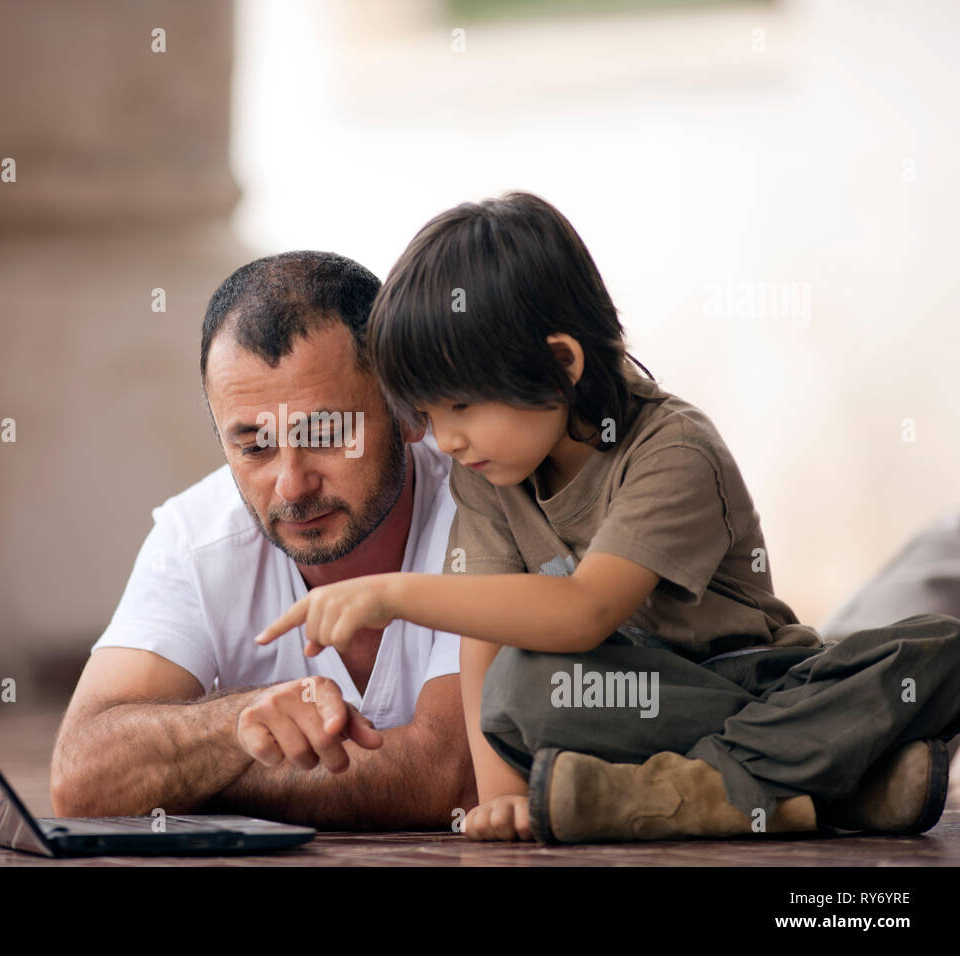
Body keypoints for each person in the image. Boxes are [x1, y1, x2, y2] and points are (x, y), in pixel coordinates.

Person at [256, 192, 960, 843]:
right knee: (522, 686)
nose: (447, 440)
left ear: (560, 363)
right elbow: (483, 637)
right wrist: (499, 793)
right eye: (430, 415)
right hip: (622, 707)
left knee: (938, 650)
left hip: (747, 681)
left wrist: (392, 595)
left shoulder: (674, 449)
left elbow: (585, 610)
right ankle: (818, 787)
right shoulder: (492, 474)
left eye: (462, 407)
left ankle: (696, 791)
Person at [50, 251, 475, 830]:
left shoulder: (480, 512)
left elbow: (444, 777)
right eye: (253, 446)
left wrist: (187, 783)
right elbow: (83, 781)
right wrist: (239, 721)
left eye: (326, 434)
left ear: (407, 411)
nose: (292, 485)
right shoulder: (197, 536)